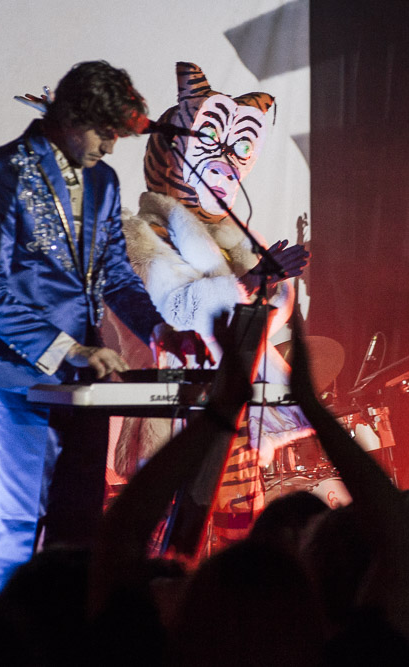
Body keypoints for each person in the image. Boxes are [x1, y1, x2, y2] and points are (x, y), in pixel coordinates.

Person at [0, 60, 206, 600]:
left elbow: (115, 274)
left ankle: (66, 640)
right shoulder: (1, 172)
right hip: (20, 371)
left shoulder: (102, 179)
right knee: (20, 525)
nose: (112, 147)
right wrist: (68, 347)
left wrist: (163, 333)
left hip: (84, 383)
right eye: (104, 133)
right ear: (69, 118)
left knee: (78, 530)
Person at [106, 62, 311, 546]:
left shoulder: (232, 240)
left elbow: (264, 321)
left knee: (238, 539)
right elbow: (176, 310)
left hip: (233, 407)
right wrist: (254, 278)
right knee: (173, 541)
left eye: (238, 153)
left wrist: (269, 283)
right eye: (209, 151)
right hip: (176, 414)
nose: (227, 169)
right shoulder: (140, 232)